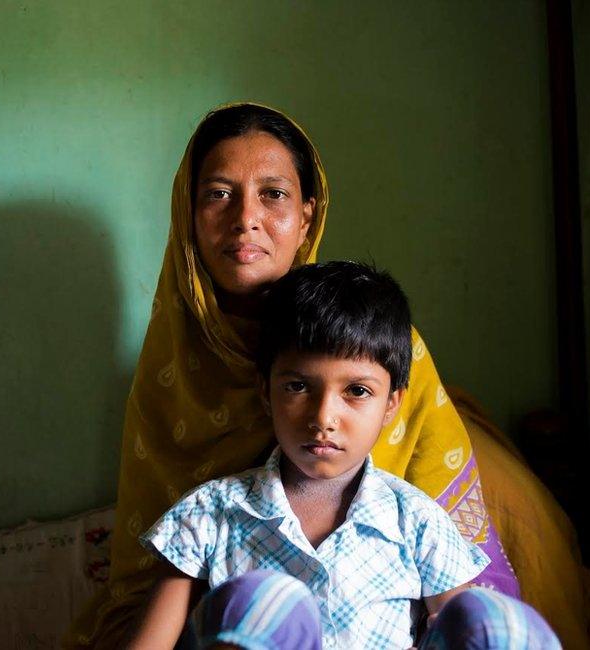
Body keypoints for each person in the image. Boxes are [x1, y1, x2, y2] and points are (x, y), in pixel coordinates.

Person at [63, 104, 518, 648]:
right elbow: (146, 592)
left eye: (273, 194)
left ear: (307, 215)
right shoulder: (173, 379)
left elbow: (461, 595)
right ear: (188, 214)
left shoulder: (379, 349)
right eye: (218, 194)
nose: (244, 218)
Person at [127, 261, 558, 649]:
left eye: (357, 391)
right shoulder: (211, 513)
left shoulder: (417, 522)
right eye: (298, 386)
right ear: (265, 391)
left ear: (391, 404)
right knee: (265, 605)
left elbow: (464, 633)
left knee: (493, 622)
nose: (323, 417)